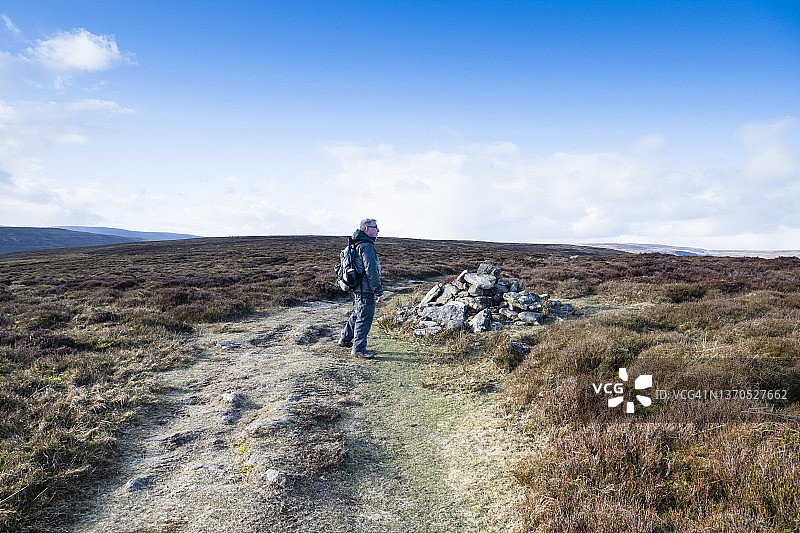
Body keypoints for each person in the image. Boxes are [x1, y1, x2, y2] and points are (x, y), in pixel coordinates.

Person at [339, 218, 384, 359]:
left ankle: (345, 339)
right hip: (366, 288)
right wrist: (378, 291)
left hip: (358, 287)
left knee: (358, 313)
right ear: (366, 229)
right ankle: (358, 349)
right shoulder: (367, 246)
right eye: (375, 227)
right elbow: (371, 271)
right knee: (364, 318)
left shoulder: (357, 244)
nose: (378, 230)